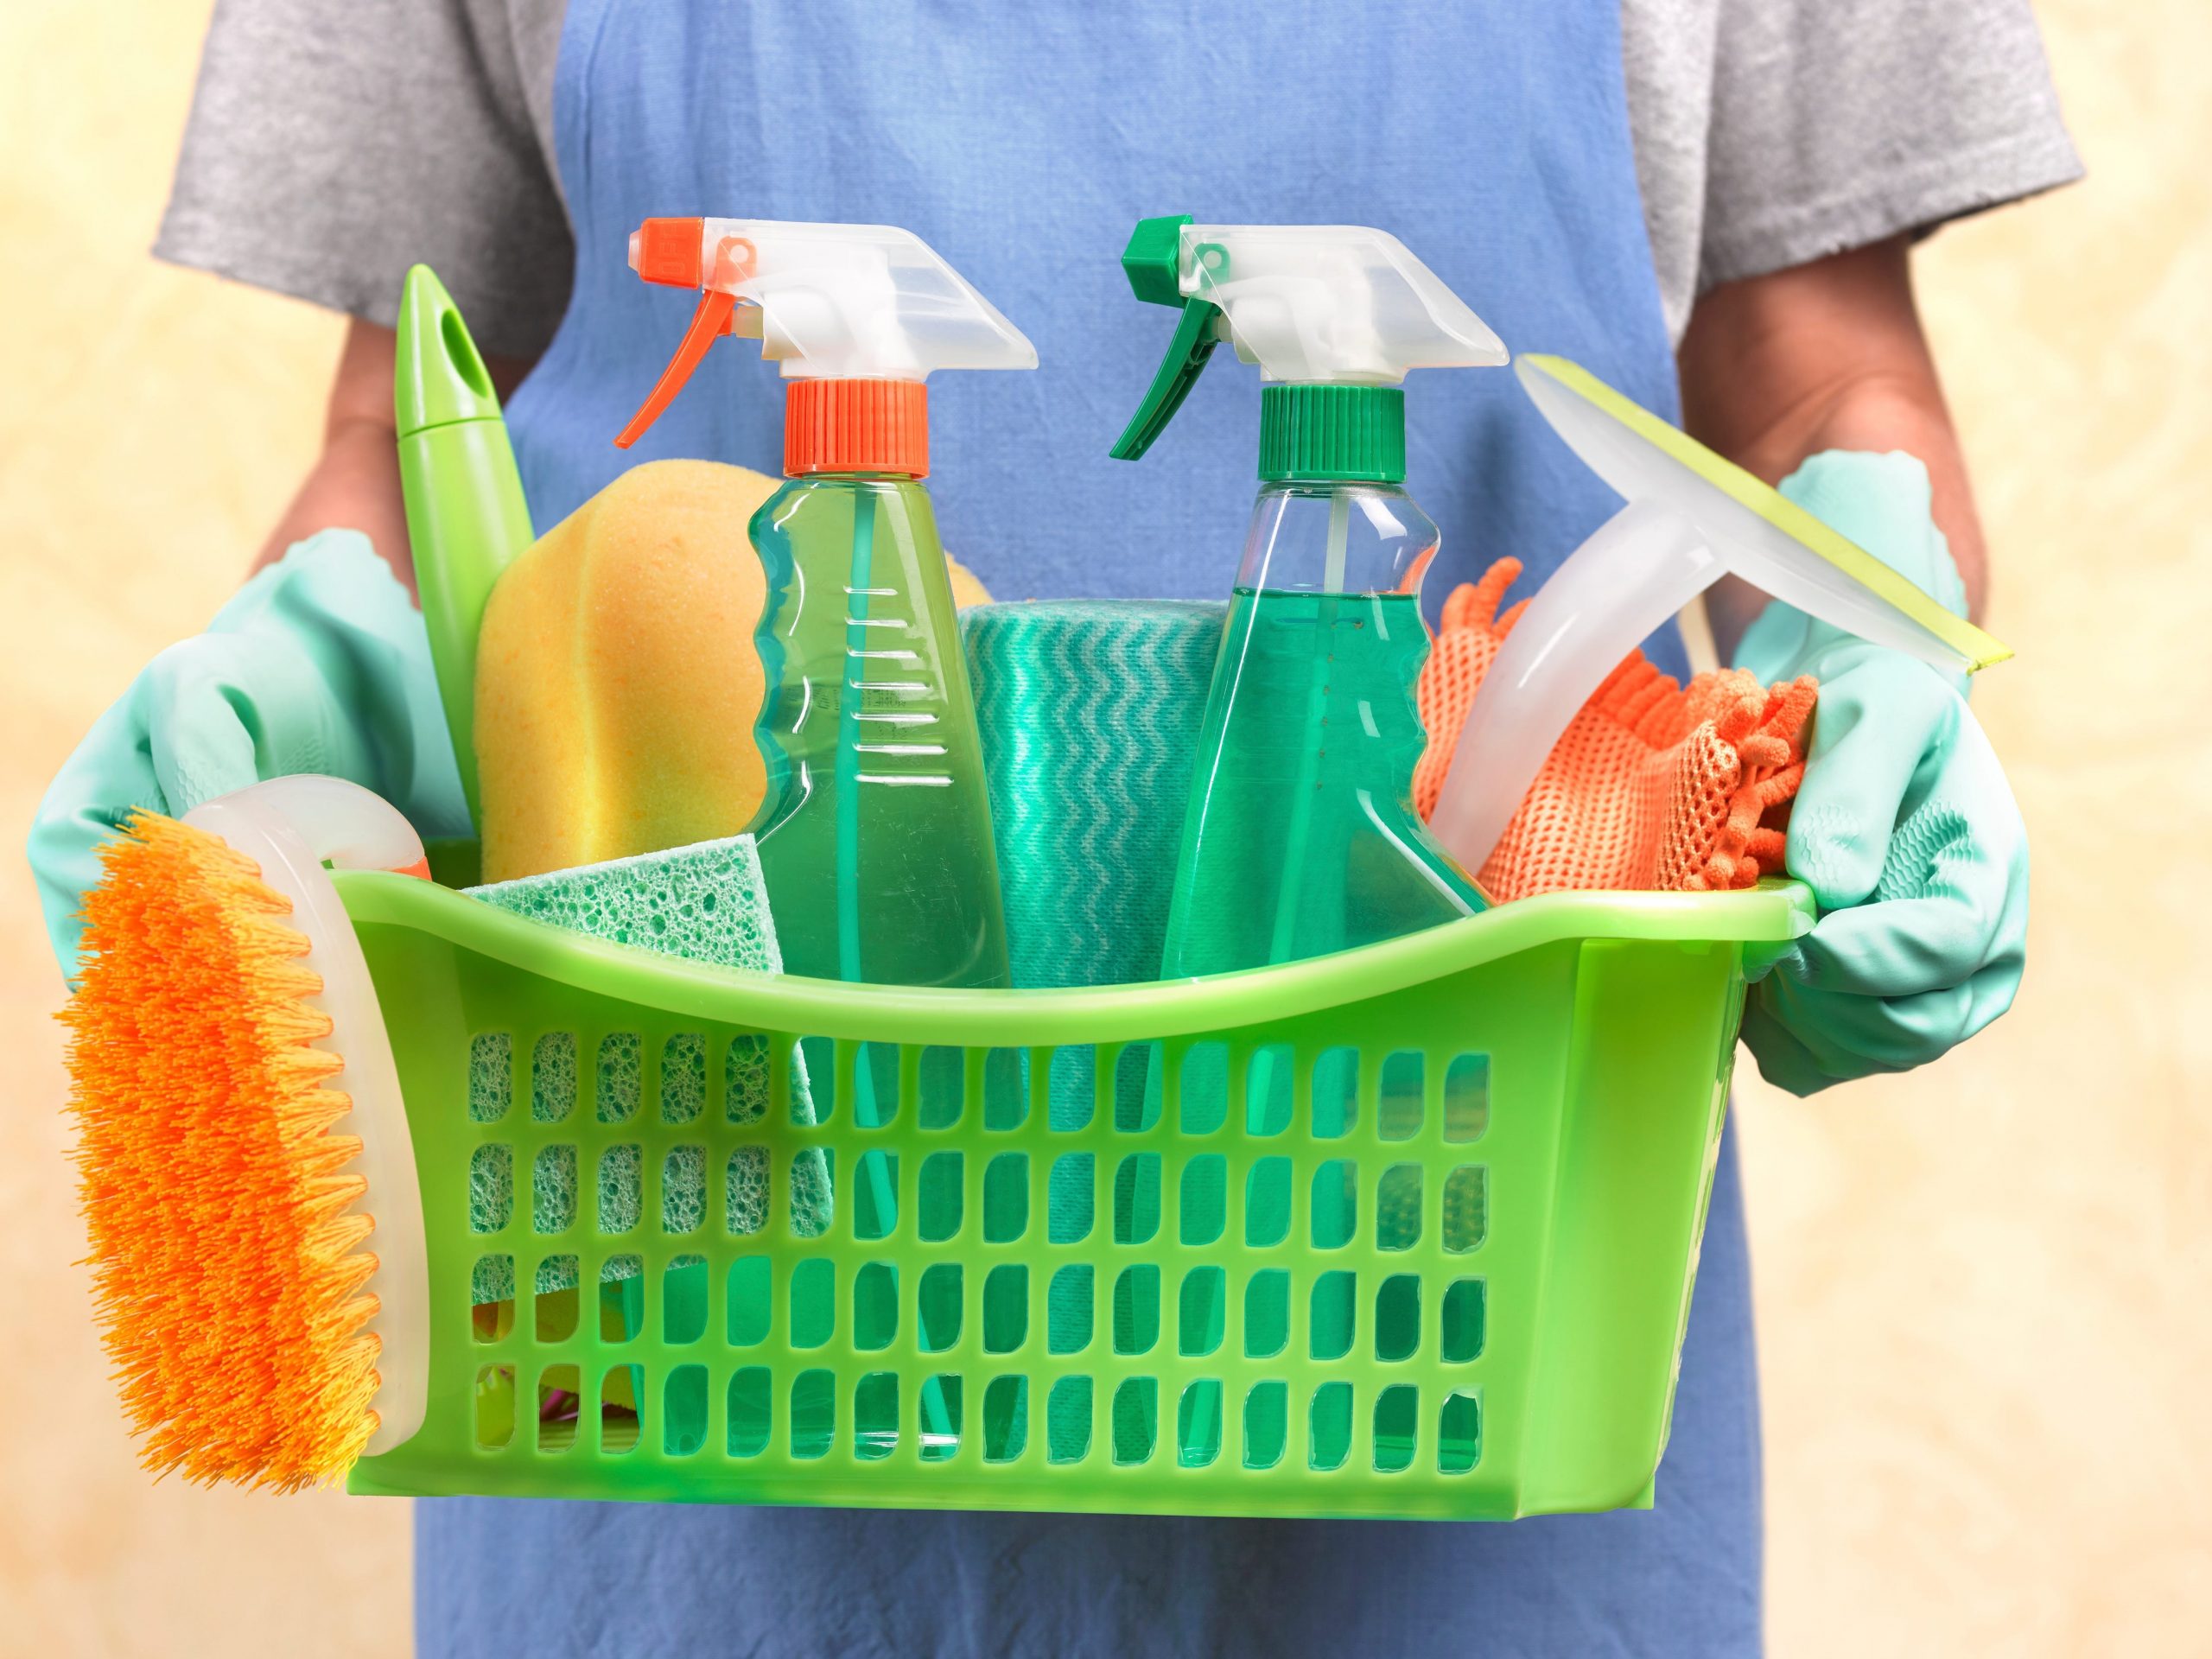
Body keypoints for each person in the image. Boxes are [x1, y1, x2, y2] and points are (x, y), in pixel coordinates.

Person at [31, 1, 2069, 1652]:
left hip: (1437, 1307)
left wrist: (1849, 676)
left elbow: (1816, 387)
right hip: (672, 1322)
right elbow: (396, 421)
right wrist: (327, 682)